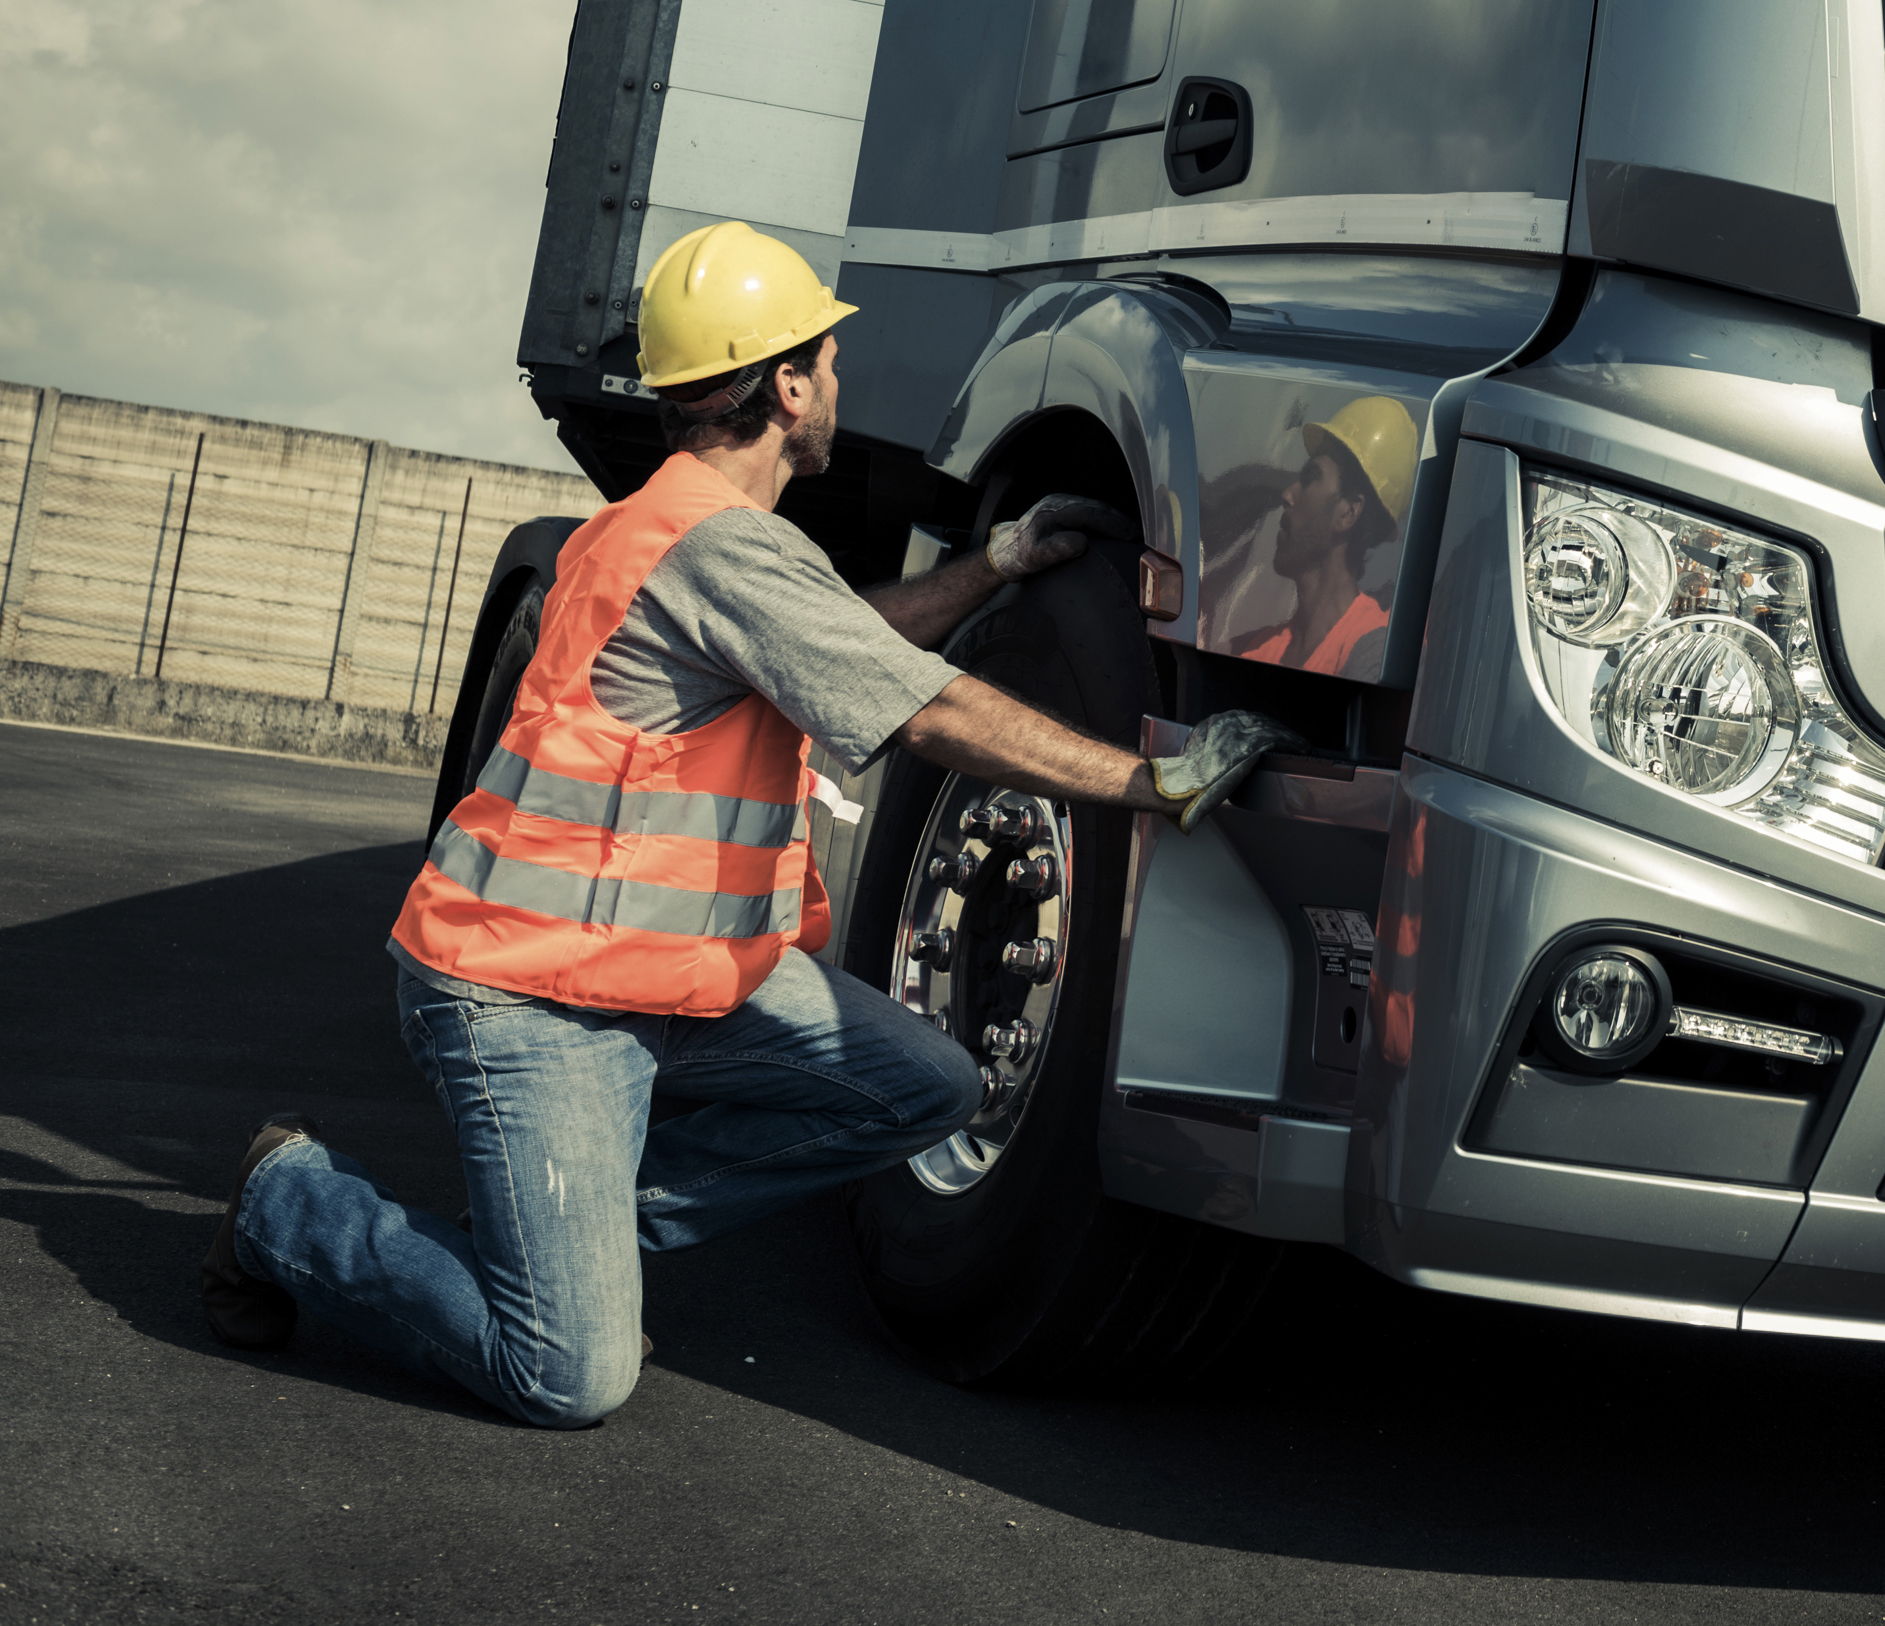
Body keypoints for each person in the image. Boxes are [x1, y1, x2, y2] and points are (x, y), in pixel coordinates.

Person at [196, 221, 1291, 1427]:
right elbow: (923, 706)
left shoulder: (681, 529)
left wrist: (993, 564)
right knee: (566, 1374)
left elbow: (849, 637)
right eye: (826, 359)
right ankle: (287, 1204)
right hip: (530, 993)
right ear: (785, 383)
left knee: (921, 1084)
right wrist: (1149, 784)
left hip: (662, 978)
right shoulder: (720, 549)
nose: (837, 382)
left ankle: (566, 1251)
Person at [1229, 396, 1419, 675]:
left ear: (1348, 513)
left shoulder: (1376, 653)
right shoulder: (1260, 649)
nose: (1287, 494)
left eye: (1310, 478)